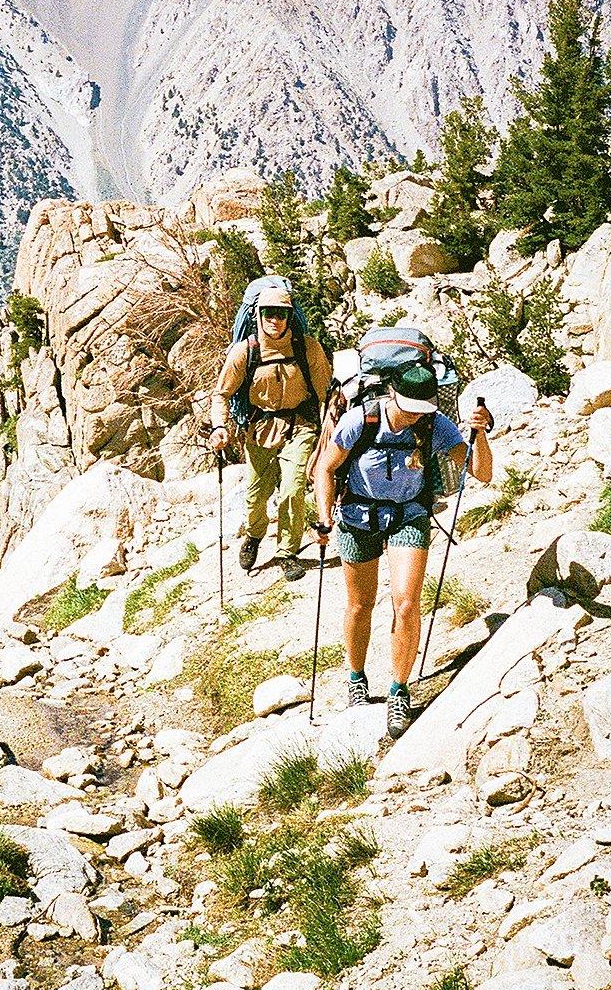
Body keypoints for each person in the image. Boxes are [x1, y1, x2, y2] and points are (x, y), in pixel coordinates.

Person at [310, 361, 493, 735]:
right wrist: (325, 517)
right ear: (392, 394)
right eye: (410, 408)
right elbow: (325, 470)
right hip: (357, 515)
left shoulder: (433, 423)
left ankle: (399, 690)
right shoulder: (361, 420)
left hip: (409, 515)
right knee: (360, 604)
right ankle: (357, 678)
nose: (415, 416)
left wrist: (480, 433)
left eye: (422, 409)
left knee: (406, 602)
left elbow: (482, 472)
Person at [208, 287, 332, 581]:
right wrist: (220, 427)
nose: (275, 320)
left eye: (282, 314)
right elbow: (221, 394)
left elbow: (326, 392)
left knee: (293, 487)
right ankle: (253, 535)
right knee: (256, 494)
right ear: (258, 315)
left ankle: (287, 553)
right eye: (269, 313)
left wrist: (328, 430)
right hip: (259, 429)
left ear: (290, 317)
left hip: (299, 425)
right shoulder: (245, 352)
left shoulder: (307, 347)